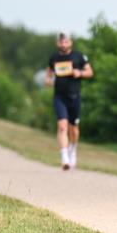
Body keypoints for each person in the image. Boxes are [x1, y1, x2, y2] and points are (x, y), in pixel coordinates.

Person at [45, 32, 92, 170]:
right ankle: (65, 158)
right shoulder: (54, 58)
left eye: (66, 41)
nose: (63, 44)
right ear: (57, 43)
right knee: (62, 126)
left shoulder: (78, 56)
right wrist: (49, 81)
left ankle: (73, 149)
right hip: (59, 97)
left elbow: (90, 72)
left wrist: (80, 73)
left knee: (74, 129)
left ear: (70, 42)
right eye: (61, 42)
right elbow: (48, 76)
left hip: (75, 97)